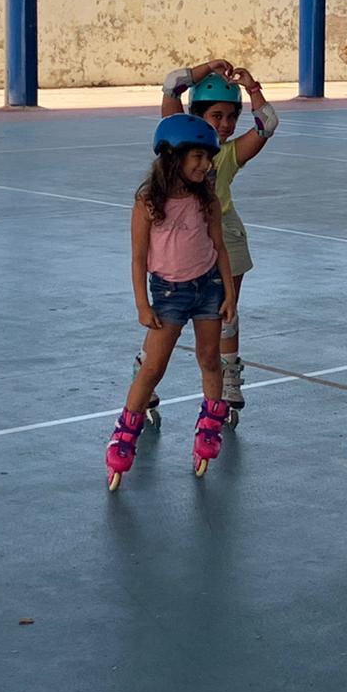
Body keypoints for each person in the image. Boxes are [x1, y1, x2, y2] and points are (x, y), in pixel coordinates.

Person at [106, 115, 235, 489]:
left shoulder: (207, 200)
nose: (204, 165)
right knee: (153, 368)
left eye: (208, 158)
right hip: (168, 294)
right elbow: (137, 257)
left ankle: (209, 426)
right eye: (197, 156)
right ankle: (125, 433)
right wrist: (142, 304)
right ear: (172, 156)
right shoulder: (148, 202)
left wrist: (229, 292)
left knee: (210, 358)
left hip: (208, 286)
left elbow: (219, 246)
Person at [157, 58, 279, 419]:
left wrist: (252, 87)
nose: (225, 124)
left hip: (225, 232)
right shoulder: (176, 140)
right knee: (169, 315)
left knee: (226, 310)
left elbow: (267, 123)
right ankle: (146, 372)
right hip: (180, 236)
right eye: (216, 116)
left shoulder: (228, 153)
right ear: (196, 115)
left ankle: (229, 377)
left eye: (231, 117)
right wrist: (208, 67)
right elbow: (172, 84)